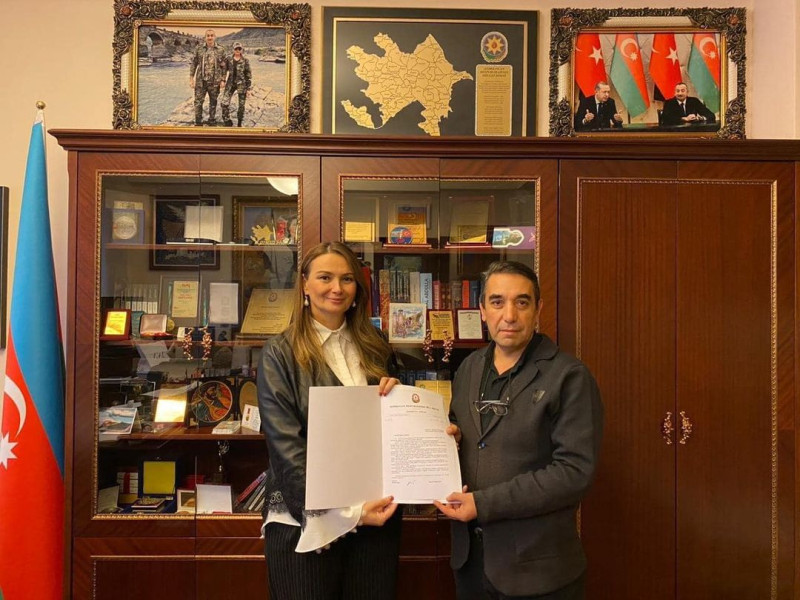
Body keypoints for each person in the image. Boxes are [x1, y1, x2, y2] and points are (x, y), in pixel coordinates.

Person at [434, 261, 603, 600]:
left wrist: (483, 503)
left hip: (538, 572)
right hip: (471, 565)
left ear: (538, 309)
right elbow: (462, 436)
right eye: (497, 302)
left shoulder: (569, 376)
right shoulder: (469, 368)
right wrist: (450, 441)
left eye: (521, 302)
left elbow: (573, 473)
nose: (509, 315)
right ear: (482, 310)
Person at [257, 241, 402, 599]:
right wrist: (344, 514)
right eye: (325, 277)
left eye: (347, 279)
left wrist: (398, 402)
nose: (337, 288)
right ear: (304, 285)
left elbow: (389, 432)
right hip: (304, 525)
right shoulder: (280, 353)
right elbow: (286, 449)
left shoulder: (376, 345)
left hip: (375, 519)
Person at [189, 29, 227, 126]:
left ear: (215, 37)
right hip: (200, 81)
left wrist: (223, 80)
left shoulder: (221, 50)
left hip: (215, 82)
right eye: (208, 36)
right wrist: (191, 78)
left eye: (212, 35)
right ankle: (198, 122)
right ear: (205, 37)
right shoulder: (199, 49)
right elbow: (194, 64)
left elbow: (224, 66)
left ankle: (212, 120)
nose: (210, 37)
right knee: (198, 102)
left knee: (213, 102)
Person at [221, 41, 252, 127]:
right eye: (236, 49)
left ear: (242, 50)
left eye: (239, 49)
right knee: (224, 103)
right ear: (233, 49)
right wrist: (223, 80)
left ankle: (239, 123)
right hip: (230, 84)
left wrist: (248, 89)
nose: (238, 50)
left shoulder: (245, 60)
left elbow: (248, 75)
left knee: (241, 106)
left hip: (242, 85)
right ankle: (227, 121)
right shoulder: (228, 59)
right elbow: (224, 70)